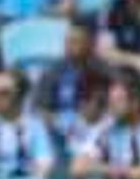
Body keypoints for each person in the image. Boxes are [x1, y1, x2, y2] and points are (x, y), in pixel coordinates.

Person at [35, 17, 111, 145]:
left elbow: (113, 107)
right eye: (67, 40)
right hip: (60, 135)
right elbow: (41, 110)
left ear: (90, 44)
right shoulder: (53, 72)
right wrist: (61, 123)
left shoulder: (104, 71)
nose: (68, 45)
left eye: (75, 41)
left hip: (98, 134)